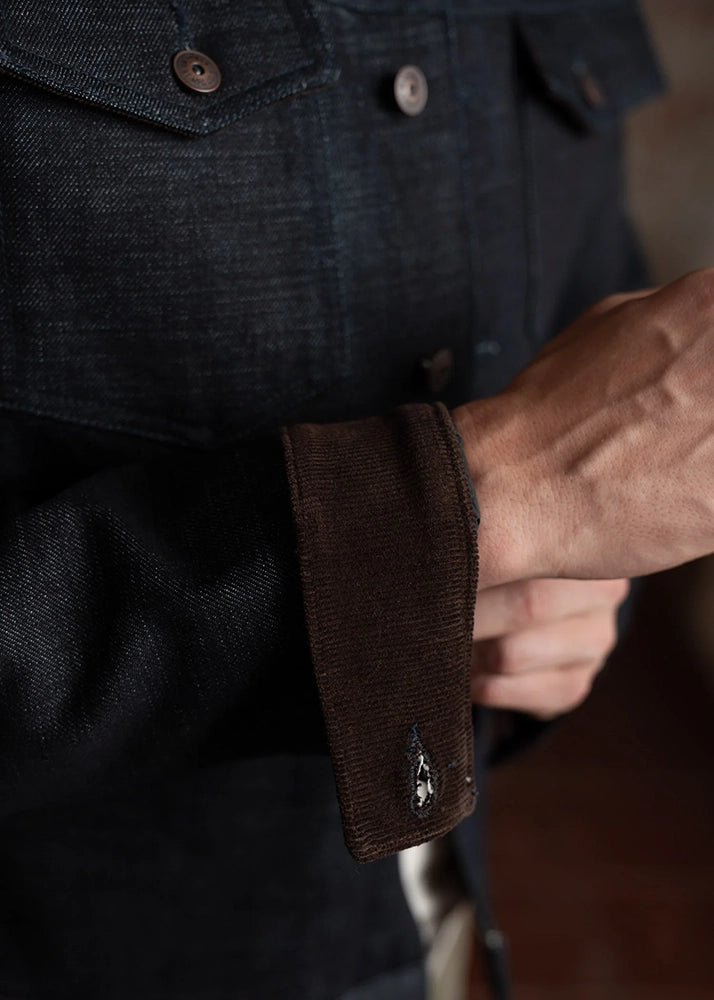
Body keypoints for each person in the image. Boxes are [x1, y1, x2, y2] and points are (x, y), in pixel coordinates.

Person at [0, 1, 712, 998]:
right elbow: (537, 469)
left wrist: (566, 599)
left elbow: (585, 363)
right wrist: (464, 507)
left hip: (434, 925)